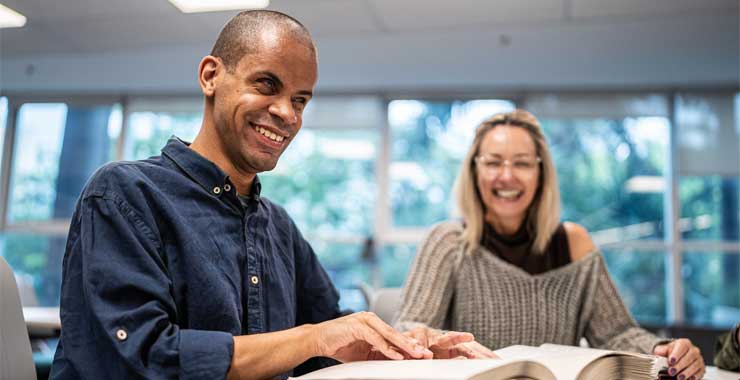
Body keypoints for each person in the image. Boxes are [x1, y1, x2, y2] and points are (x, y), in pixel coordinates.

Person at [49, 10, 482, 380]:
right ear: (211, 76)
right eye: (266, 84)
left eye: (300, 99)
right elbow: (142, 357)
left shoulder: (277, 226)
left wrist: (407, 352)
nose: (286, 114)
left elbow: (331, 340)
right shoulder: (124, 195)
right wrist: (312, 337)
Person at [394, 109, 706, 380]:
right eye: (493, 162)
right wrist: (425, 338)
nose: (506, 176)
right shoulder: (448, 242)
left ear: (540, 172)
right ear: (474, 170)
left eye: (522, 163)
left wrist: (662, 350)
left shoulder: (574, 243)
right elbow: (412, 326)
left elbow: (616, 333)